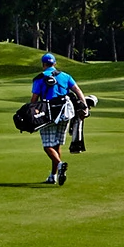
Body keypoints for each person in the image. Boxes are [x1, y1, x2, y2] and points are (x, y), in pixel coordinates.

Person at [31, 53, 85, 186]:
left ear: (43, 64)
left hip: (48, 114)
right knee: (56, 145)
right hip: (65, 113)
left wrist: (31, 114)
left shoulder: (39, 79)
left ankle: (60, 165)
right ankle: (53, 176)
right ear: (54, 63)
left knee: (47, 145)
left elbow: (34, 100)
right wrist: (83, 105)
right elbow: (77, 90)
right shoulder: (65, 76)